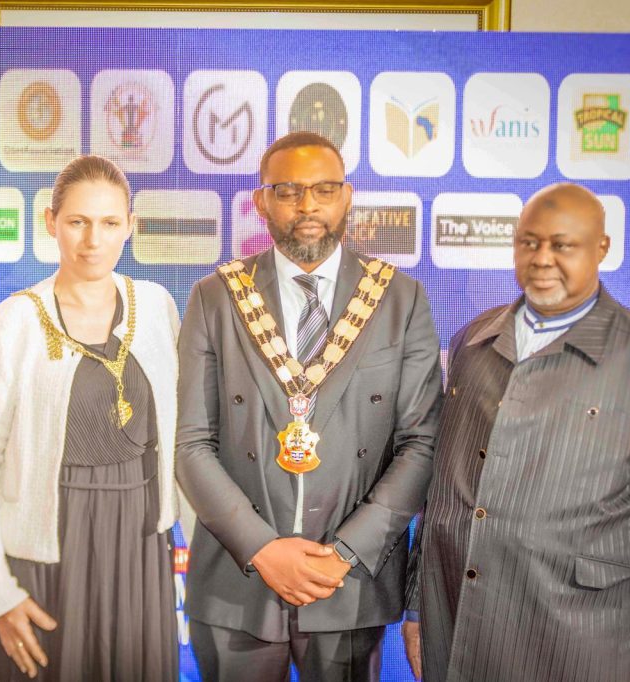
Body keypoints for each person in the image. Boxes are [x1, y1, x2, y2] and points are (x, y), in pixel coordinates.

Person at [404, 182, 630, 682]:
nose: (542, 258)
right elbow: (443, 491)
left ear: (601, 248)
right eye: (529, 242)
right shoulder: (472, 342)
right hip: (456, 623)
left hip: (578, 639)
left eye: (562, 244)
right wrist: (419, 605)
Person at [176, 131, 443, 681]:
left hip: (349, 582)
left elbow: (421, 444)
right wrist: (263, 549)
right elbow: (192, 444)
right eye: (289, 190)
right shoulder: (216, 297)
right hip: (238, 579)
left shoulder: (399, 299)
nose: (307, 205)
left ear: (347, 197)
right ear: (262, 202)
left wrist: (345, 553)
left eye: (324, 189)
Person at [0, 155, 182, 681]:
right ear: (50, 222)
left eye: (109, 222)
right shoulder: (12, 324)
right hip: (48, 549)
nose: (93, 240)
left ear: (130, 226)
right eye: (77, 221)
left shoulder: (157, 307)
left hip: (140, 544)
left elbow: (180, 438)